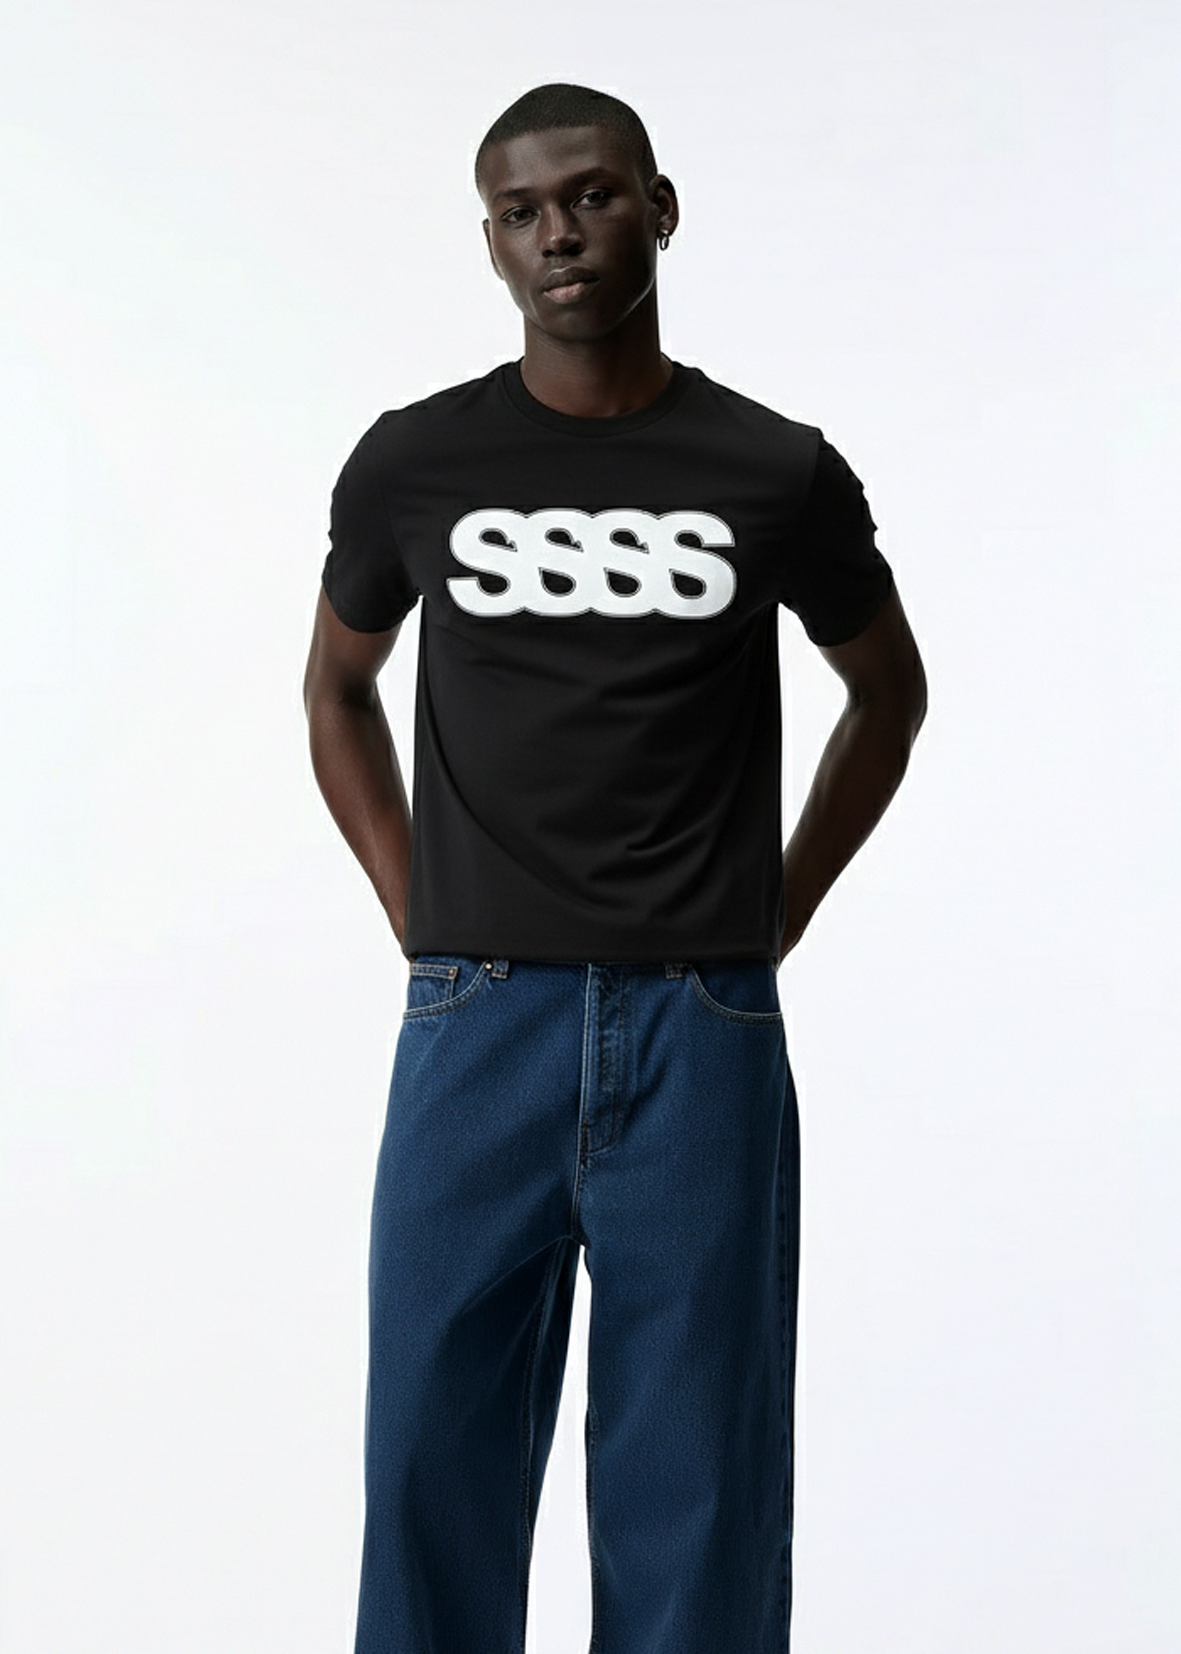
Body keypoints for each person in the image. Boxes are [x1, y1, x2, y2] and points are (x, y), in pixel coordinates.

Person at [303, 81, 927, 1654]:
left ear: (660, 206)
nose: (559, 233)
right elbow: (335, 688)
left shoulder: (772, 468)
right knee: (431, 1458)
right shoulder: (414, 463)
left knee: (698, 1481)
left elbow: (888, 692)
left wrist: (779, 902)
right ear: (490, 244)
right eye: (520, 212)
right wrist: (414, 902)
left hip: (702, 1027)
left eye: (589, 195)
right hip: (475, 1022)